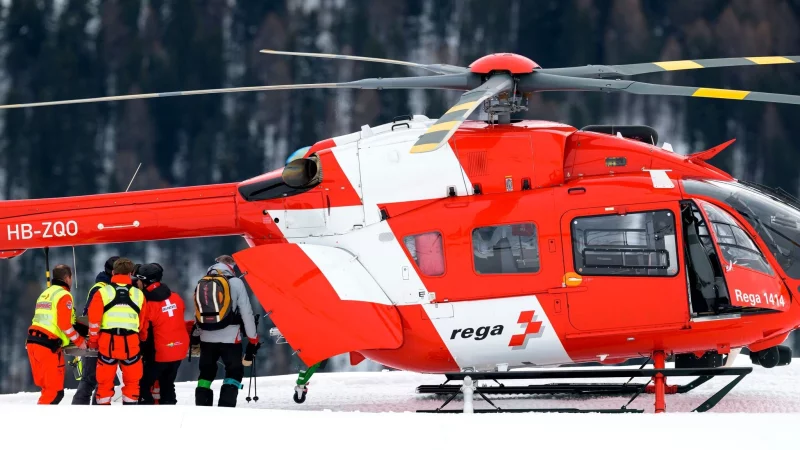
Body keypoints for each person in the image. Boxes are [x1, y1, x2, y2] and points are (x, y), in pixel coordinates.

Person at [188, 255, 260, 407]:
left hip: (206, 336)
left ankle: (202, 408)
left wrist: (197, 334)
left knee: (206, 374)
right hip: (231, 338)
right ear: (231, 266)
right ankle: (225, 410)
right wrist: (253, 339)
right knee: (233, 373)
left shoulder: (203, 281)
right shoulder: (235, 282)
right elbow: (246, 312)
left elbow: (198, 311)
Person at [87, 257, 147, 405]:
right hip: (131, 343)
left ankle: (103, 415)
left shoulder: (102, 292)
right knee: (133, 383)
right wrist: (143, 339)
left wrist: (93, 342)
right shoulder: (139, 294)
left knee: (104, 384)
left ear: (113, 272)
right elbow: (142, 323)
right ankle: (129, 413)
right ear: (130, 274)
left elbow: (94, 322)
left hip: (108, 343)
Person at [26, 264, 87, 404]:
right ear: (67, 278)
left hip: (33, 343)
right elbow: (64, 324)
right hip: (48, 346)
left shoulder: (45, 293)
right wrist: (79, 341)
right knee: (54, 392)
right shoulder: (64, 295)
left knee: (47, 390)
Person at [134, 263, 194, 405]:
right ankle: (170, 410)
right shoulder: (175, 297)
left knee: (143, 386)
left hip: (160, 352)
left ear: (145, 281)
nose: (136, 282)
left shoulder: (147, 302)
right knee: (167, 383)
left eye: (138, 280)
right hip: (179, 349)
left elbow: (143, 330)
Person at [72, 256, 119, 405]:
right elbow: (92, 316)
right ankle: (80, 411)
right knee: (90, 379)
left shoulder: (105, 287)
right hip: (95, 338)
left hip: (101, 338)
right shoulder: (102, 288)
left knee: (100, 381)